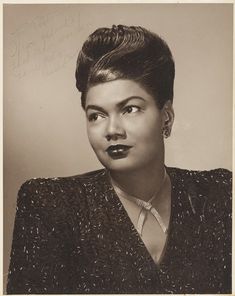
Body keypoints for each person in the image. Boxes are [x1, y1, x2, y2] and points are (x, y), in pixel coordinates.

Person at [7, 25, 232, 294]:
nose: (112, 130)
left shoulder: (218, 194)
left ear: (166, 117)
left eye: (129, 109)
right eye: (96, 115)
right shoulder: (51, 205)